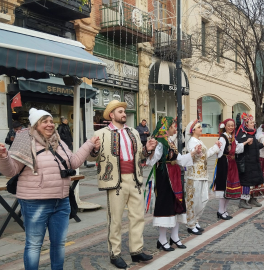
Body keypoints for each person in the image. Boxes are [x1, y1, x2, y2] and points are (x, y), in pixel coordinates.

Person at [0, 108, 99, 270]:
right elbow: (11, 171)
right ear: (36, 124)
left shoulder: (58, 141)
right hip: (34, 203)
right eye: (45, 121)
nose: (49, 124)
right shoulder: (25, 140)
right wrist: (4, 157)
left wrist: (89, 144)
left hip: (61, 202)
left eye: (51, 121)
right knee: (34, 245)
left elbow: (72, 162)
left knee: (59, 244)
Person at [87, 100, 157, 269]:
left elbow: (140, 156)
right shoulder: (100, 133)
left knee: (137, 217)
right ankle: (115, 253)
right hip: (114, 181)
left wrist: (147, 148)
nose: (124, 114)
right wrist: (94, 149)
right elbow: (91, 157)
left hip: (134, 179)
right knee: (115, 219)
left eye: (124, 111)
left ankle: (136, 250)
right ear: (112, 115)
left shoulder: (132, 131)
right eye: (120, 111)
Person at [146, 117, 201, 251]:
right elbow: (151, 161)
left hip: (175, 177)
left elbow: (179, 159)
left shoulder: (169, 141)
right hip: (164, 177)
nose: (175, 128)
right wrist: (150, 152)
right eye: (173, 126)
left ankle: (175, 237)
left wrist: (193, 153)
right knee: (166, 206)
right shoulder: (160, 142)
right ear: (166, 127)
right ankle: (162, 239)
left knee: (177, 205)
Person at [185, 120, 221, 232]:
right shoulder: (192, 141)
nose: (201, 129)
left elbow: (205, 155)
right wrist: (196, 151)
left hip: (203, 175)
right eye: (199, 127)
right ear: (193, 130)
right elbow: (194, 154)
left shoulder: (199, 140)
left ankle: (195, 221)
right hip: (194, 175)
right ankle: (190, 224)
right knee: (194, 200)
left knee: (202, 199)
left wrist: (215, 147)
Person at [212, 119, 248, 219]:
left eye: (232, 125)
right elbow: (219, 152)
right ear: (225, 126)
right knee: (224, 187)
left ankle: (224, 210)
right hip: (224, 164)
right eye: (229, 125)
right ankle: (220, 210)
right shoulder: (223, 138)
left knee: (230, 188)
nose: (231, 127)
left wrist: (245, 143)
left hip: (231, 163)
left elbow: (236, 149)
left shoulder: (232, 137)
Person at [236, 113, 264, 209]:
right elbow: (239, 147)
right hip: (246, 163)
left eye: (253, 122)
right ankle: (243, 201)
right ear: (246, 124)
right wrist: (246, 143)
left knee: (255, 181)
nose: (253, 124)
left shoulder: (252, 134)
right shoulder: (242, 135)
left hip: (254, 162)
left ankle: (253, 198)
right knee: (246, 182)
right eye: (251, 122)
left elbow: (254, 147)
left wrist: (262, 144)